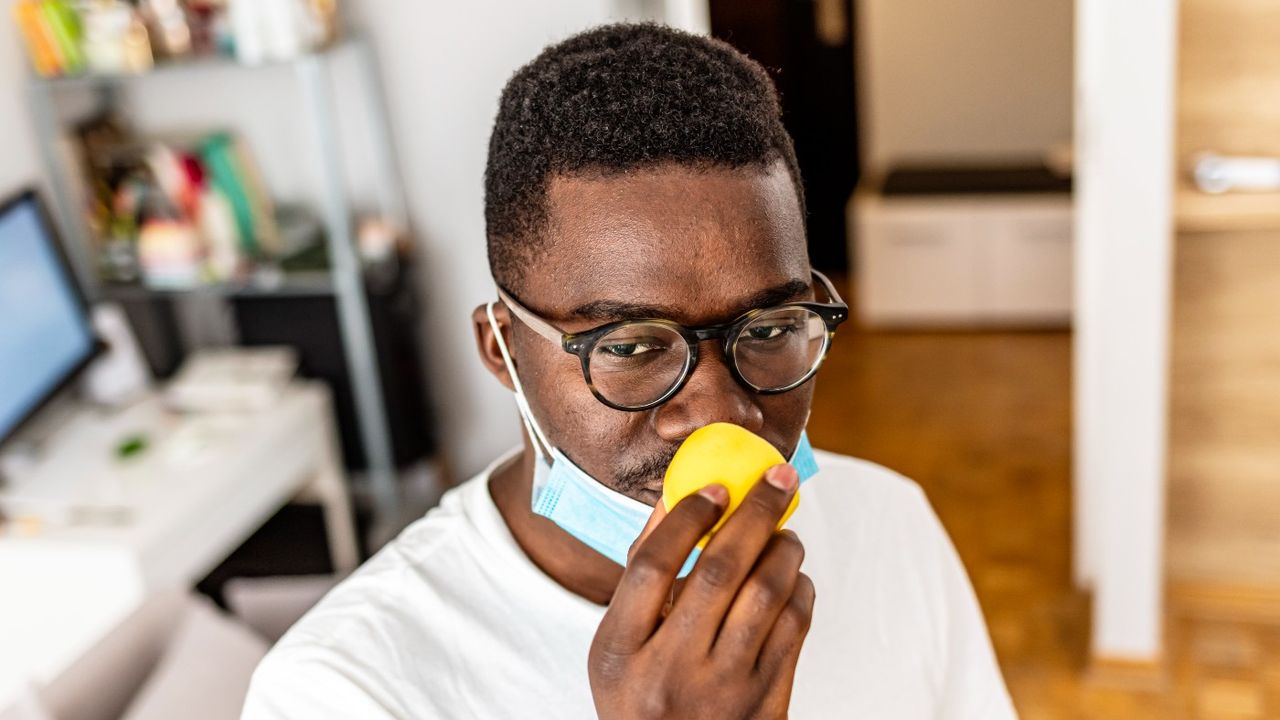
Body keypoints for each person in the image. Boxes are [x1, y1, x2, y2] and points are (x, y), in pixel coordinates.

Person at [242, 23, 1016, 719]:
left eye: (771, 326)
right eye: (631, 346)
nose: (721, 413)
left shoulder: (892, 524)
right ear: (502, 349)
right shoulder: (339, 688)